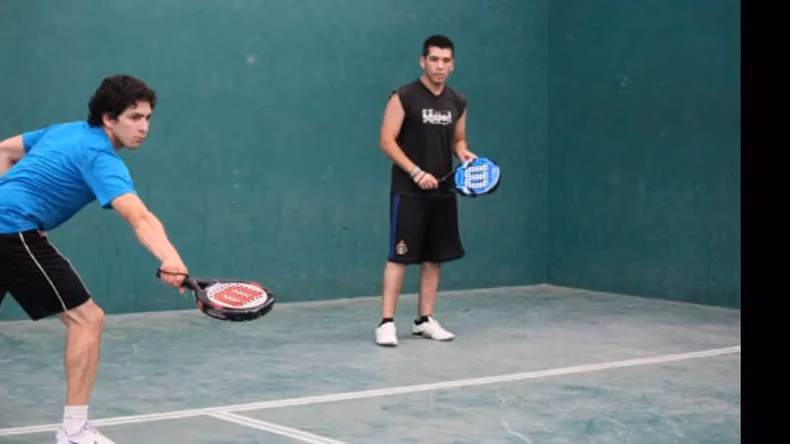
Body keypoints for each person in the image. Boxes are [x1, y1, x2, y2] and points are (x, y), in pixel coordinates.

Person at [0, 74, 189, 444]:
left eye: (148, 118)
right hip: (12, 232)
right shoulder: (101, 158)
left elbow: (3, 151)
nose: (144, 127)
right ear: (108, 118)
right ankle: (74, 431)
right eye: (135, 117)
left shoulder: (62, 131)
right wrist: (172, 260)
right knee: (87, 319)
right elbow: (139, 217)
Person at [375, 35, 476, 347]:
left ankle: (424, 320)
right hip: (408, 190)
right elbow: (386, 140)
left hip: (443, 191)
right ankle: (386, 323)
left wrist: (464, 153)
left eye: (446, 61)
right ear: (423, 61)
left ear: (453, 64)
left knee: (434, 258)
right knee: (400, 257)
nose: (440, 66)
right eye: (434, 59)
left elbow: (458, 139)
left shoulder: (457, 101)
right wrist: (416, 172)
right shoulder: (404, 96)